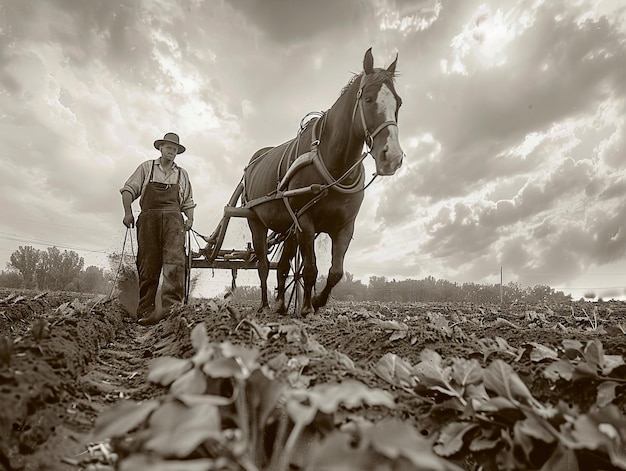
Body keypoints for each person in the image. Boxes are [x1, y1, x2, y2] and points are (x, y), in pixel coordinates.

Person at [120, 132, 196, 326]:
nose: (171, 151)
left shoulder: (182, 174)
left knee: (174, 263)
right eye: (168, 147)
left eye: (175, 149)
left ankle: (172, 311)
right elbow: (129, 190)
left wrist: (190, 219)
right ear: (160, 148)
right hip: (148, 221)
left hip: (174, 222)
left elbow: (187, 201)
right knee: (148, 263)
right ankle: (145, 310)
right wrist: (128, 212)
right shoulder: (147, 168)